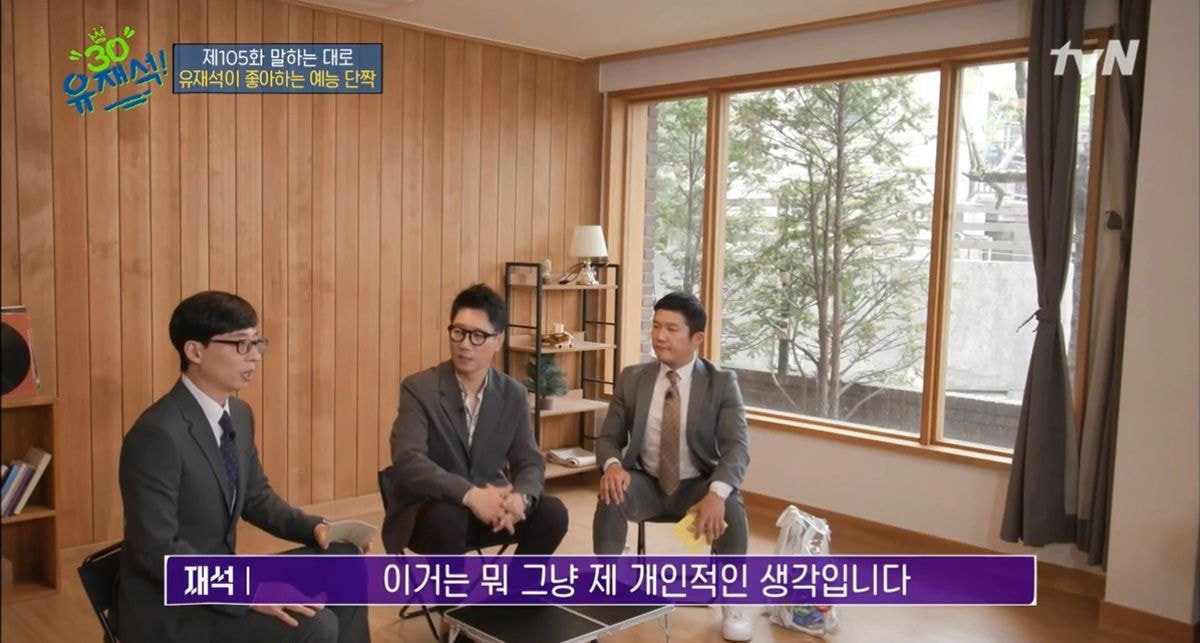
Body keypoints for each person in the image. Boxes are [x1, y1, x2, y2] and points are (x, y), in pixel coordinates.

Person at [117, 291, 371, 643]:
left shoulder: (238, 414)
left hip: (224, 576)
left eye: (256, 343)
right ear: (195, 351)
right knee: (316, 624)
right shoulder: (156, 435)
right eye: (240, 344)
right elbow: (157, 549)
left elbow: (256, 497)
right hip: (172, 607)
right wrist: (247, 590)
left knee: (344, 559)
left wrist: (315, 528)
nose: (254, 356)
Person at [592, 291, 753, 641]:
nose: (660, 336)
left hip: (696, 487)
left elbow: (737, 448)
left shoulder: (722, 383)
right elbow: (607, 438)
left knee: (731, 503)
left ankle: (734, 599)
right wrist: (613, 465)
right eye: (655, 326)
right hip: (645, 483)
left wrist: (716, 493)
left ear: (697, 338)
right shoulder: (632, 378)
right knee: (612, 492)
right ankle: (607, 585)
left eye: (671, 329)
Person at [382, 283, 568, 557]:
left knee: (553, 513)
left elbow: (529, 461)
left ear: (498, 340)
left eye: (478, 335)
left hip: (490, 510)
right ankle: (452, 589)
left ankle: (517, 586)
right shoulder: (419, 388)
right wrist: (470, 495)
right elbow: (408, 460)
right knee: (448, 519)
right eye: (458, 332)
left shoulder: (513, 394)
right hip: (430, 512)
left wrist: (521, 498)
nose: (465, 344)